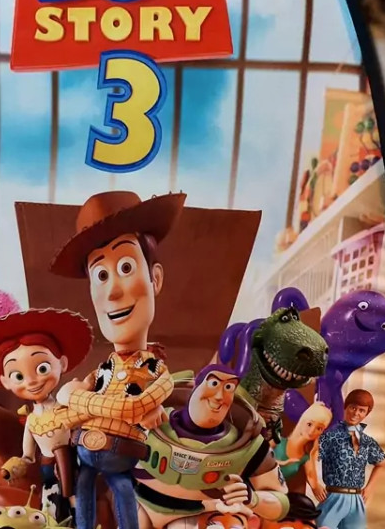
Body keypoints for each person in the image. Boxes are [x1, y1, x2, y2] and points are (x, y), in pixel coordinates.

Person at [51, 191, 184, 529]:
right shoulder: (102, 371)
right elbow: (69, 415)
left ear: (155, 279)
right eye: (101, 275)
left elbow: (131, 407)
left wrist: (74, 398)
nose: (112, 292)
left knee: (123, 491)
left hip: (123, 456)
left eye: (125, 267)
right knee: (82, 491)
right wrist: (70, 406)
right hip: (85, 454)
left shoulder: (156, 371)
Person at [0, 307, 94, 522]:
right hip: (48, 472)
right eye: (18, 376)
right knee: (52, 513)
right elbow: (27, 456)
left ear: (61, 363)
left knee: (81, 506)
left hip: (77, 465)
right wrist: (11, 470)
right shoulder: (32, 420)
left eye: (42, 368)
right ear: (5, 381)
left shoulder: (66, 404)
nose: (31, 381)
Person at [134, 365, 290, 528]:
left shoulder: (251, 446)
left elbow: (281, 504)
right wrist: (138, 415)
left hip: (192, 517)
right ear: (196, 387)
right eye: (214, 384)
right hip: (138, 505)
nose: (219, 397)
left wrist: (253, 498)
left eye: (228, 388)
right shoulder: (147, 420)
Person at [314, 389, 385, 529]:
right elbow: (308, 457)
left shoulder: (366, 441)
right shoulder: (330, 436)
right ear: (346, 407)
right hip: (334, 497)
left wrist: (369, 488)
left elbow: (381, 463)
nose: (356, 413)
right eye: (353, 407)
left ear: (366, 413)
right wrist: (314, 484)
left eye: (362, 410)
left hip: (356, 500)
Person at [273, 401, 332, 487]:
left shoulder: (305, 457)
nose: (312, 431)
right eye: (309, 424)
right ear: (302, 421)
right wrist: (283, 463)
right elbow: (258, 459)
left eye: (319, 428)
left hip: (278, 490)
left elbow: (312, 480)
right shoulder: (277, 441)